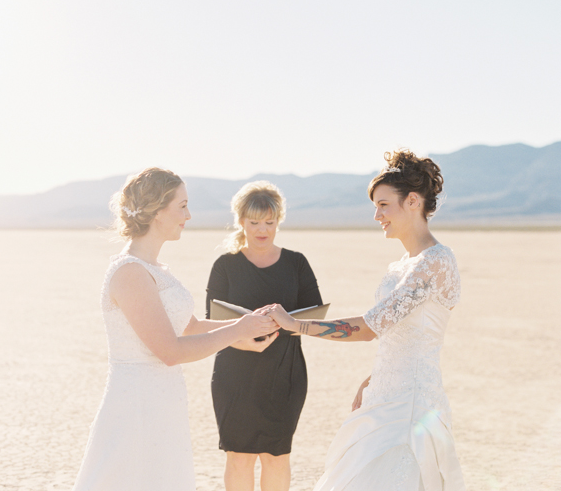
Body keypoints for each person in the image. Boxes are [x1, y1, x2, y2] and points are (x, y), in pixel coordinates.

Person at [266, 150, 466, 491]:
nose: (376, 215)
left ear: (413, 201)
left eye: (384, 205)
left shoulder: (435, 262)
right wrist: (375, 377)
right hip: (386, 394)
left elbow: (368, 328)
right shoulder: (403, 264)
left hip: (410, 407)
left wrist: (295, 325)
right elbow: (403, 335)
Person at [71, 168, 279, 491]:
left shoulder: (156, 269)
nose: (189, 215)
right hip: (136, 406)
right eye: (181, 206)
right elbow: (170, 351)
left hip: (163, 403)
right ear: (157, 212)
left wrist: (246, 329)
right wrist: (239, 327)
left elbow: (190, 327)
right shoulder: (130, 274)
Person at [205, 181, 323, 491]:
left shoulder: (296, 263)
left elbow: (314, 315)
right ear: (240, 220)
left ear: (278, 221)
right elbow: (211, 322)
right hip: (235, 372)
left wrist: (287, 321)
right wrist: (241, 339)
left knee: (276, 456)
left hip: (285, 373)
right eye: (254, 222)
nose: (262, 229)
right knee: (239, 456)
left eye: (269, 222)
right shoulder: (226, 265)